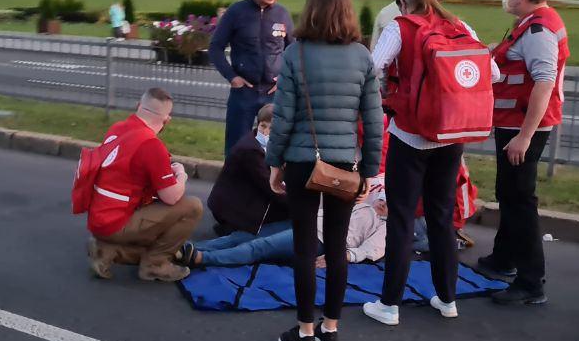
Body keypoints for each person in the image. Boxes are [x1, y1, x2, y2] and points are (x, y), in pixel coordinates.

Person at [362, 0, 491, 327]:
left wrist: (389, 89)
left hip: (410, 134)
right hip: (451, 136)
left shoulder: (400, 27)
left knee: (402, 218)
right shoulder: (460, 25)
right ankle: (447, 297)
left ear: (403, 1)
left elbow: (373, 67)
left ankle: (390, 304)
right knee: (441, 216)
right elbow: (490, 71)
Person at [266, 0, 383, 341]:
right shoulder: (362, 56)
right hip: (345, 165)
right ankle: (330, 330)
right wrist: (369, 170)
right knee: (336, 246)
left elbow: (282, 117)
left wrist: (275, 162)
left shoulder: (295, 54)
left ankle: (303, 332)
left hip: (302, 162)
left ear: (312, 9)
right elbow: (373, 119)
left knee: (303, 247)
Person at [478, 0, 569, 306]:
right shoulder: (531, 25)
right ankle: (504, 258)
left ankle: (531, 282)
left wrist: (525, 136)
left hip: (522, 126)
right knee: (509, 194)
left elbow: (543, 83)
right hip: (514, 122)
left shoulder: (538, 32)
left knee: (519, 201)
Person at [85, 88, 203, 282]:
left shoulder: (118, 128)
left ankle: (106, 251)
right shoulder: (150, 145)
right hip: (118, 222)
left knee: (158, 225)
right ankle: (155, 266)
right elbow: (171, 196)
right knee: (192, 207)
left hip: (99, 217)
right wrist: (181, 175)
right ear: (166, 120)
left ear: (138, 107)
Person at [178, 188, 386, 268]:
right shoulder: (366, 201)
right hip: (308, 222)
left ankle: (201, 258)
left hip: (321, 238)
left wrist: (343, 256)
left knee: (260, 246)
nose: (382, 202)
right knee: (245, 235)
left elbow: (371, 250)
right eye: (383, 198)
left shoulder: (385, 226)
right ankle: (186, 248)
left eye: (387, 203)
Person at [209, 0, 295, 155]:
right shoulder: (236, 12)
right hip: (244, 93)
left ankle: (268, 185)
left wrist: (285, 79)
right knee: (237, 149)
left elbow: (294, 52)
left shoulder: (282, 14)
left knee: (273, 150)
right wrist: (232, 77)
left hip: (273, 94)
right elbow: (215, 48)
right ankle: (234, 184)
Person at [206, 104, 289, 236]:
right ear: (258, 124)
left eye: (272, 128)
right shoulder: (251, 150)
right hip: (232, 208)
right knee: (292, 211)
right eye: (263, 126)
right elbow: (270, 186)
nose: (266, 132)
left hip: (240, 201)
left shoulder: (263, 145)